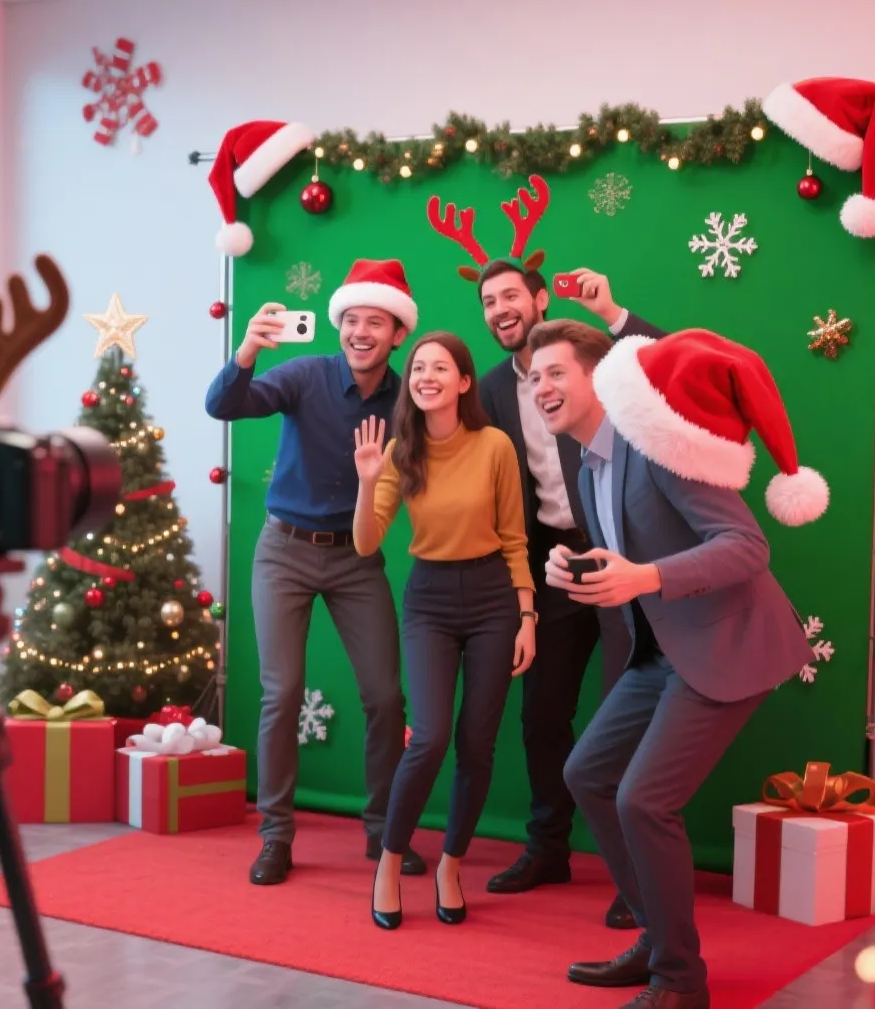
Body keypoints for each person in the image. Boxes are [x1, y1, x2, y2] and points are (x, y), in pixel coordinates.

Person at [526, 320, 826, 1009]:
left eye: (555, 372)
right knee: (587, 776)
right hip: (660, 649)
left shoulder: (654, 443)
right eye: (532, 376)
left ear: (598, 377)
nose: (541, 386)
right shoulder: (582, 459)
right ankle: (659, 939)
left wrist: (647, 577)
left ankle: (680, 981)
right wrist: (570, 567)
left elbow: (747, 546)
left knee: (644, 799)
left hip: (726, 643)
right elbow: (625, 557)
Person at [429, 179, 666, 922]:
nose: (500, 311)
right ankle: (548, 847)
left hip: (627, 558)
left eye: (511, 298)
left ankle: (638, 868)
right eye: (488, 304)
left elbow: (658, 361)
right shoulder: (493, 390)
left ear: (538, 298)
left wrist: (612, 312)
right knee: (543, 715)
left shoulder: (587, 356)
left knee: (628, 707)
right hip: (553, 567)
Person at [204, 259, 427, 887]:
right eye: (352, 319)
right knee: (282, 692)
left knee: (385, 696)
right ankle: (276, 835)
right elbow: (225, 404)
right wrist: (247, 348)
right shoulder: (305, 375)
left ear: (397, 333)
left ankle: (384, 831)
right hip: (285, 550)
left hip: (359, 556)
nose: (362, 331)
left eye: (376, 322)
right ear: (340, 325)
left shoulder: (408, 394)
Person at [350, 331, 534, 930]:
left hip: (493, 601)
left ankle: (452, 864)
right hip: (428, 599)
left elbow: (514, 538)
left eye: (441, 367)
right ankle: (389, 860)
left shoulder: (495, 446)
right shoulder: (400, 452)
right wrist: (366, 479)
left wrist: (527, 615)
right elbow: (366, 541)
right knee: (428, 737)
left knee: (477, 743)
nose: (426, 375)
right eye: (419, 367)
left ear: (463, 381)